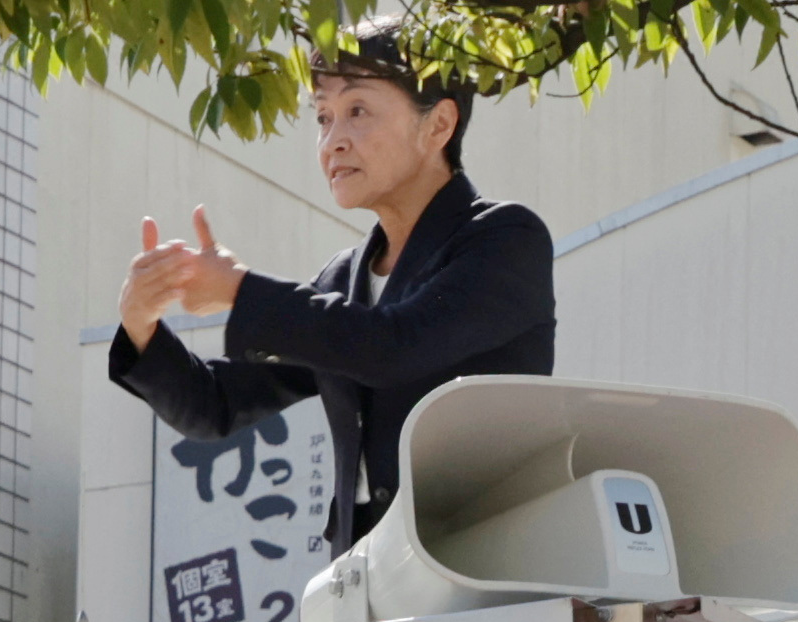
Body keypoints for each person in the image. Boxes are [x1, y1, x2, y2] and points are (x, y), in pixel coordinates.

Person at [110, 16, 553, 556]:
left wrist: (239, 291)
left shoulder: (504, 239)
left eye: (358, 111)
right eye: (323, 117)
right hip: (363, 580)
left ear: (438, 125)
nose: (332, 141)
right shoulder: (342, 282)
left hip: (480, 567)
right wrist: (140, 324)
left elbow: (394, 345)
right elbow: (214, 405)